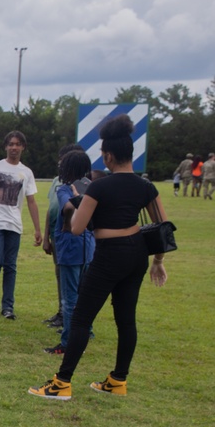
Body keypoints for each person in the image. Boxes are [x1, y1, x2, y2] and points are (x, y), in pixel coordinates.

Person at [29, 115, 168, 400]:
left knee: (80, 318)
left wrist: (79, 202)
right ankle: (118, 380)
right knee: (126, 320)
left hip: (108, 256)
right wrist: (158, 262)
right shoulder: (146, 187)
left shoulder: (99, 187)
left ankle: (62, 383)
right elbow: (162, 227)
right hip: (137, 255)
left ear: (108, 155)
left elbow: (78, 228)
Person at [0, 131, 42, 320]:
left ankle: (8, 307)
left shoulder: (26, 172)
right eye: (11, 144)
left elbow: (31, 201)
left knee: (11, 266)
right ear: (6, 146)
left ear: (23, 147)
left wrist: (38, 229)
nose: (14, 147)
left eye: (18, 144)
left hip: (14, 223)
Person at [43, 150, 95, 355]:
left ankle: (67, 342)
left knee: (70, 297)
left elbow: (66, 207)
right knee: (85, 294)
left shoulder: (64, 188)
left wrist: (75, 199)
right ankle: (86, 331)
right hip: (88, 245)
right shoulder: (93, 188)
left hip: (69, 246)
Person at [42, 144, 85, 328]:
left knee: (73, 278)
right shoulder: (56, 182)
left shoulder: (79, 185)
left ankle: (71, 318)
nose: (60, 162)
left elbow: (70, 208)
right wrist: (46, 237)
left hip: (72, 237)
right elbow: (51, 209)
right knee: (61, 274)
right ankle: (62, 311)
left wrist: (67, 224)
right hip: (56, 235)